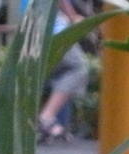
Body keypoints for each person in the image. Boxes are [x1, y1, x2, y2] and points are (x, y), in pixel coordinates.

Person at [31, 0, 91, 141]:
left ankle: (54, 124)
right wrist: (72, 16)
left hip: (34, 29)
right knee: (78, 68)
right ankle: (46, 117)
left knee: (56, 74)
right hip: (53, 29)